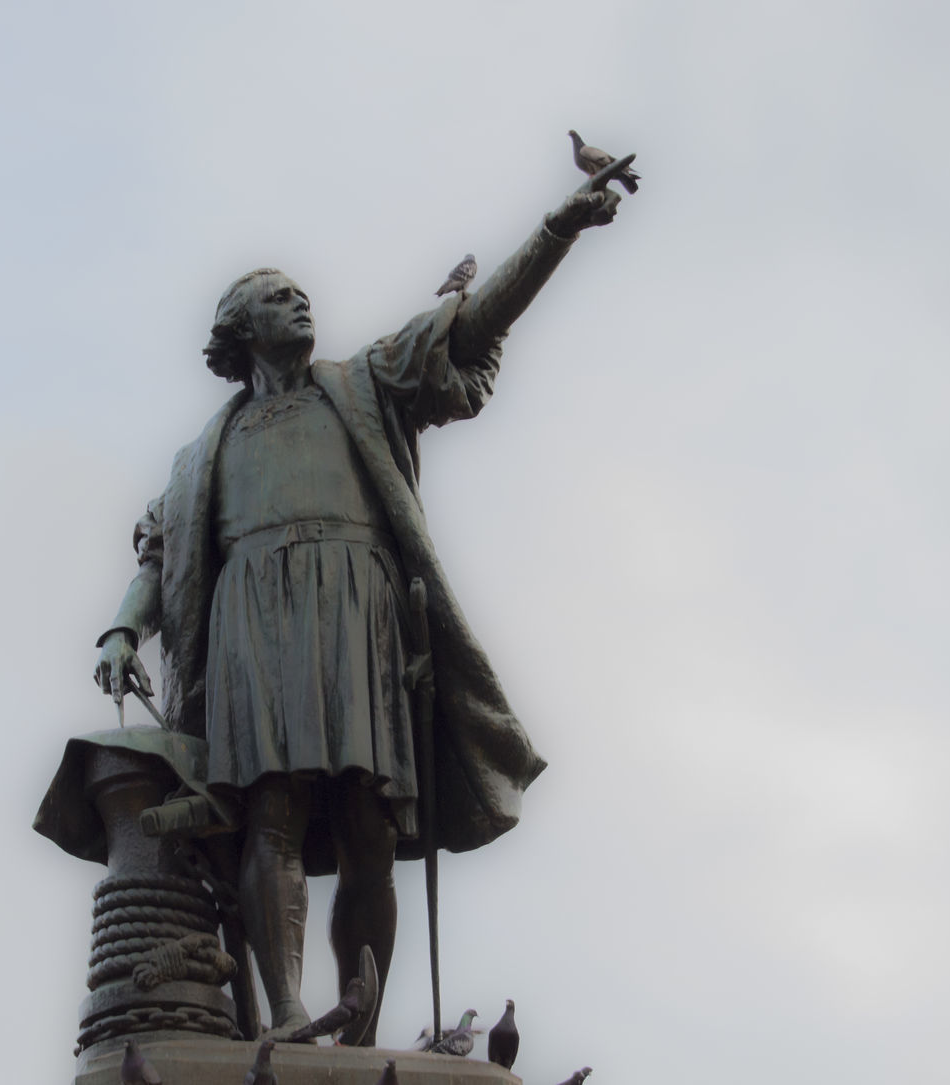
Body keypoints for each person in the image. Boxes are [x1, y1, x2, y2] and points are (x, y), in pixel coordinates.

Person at [91, 170, 628, 1043]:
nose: (299, 303)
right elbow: (163, 559)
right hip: (250, 625)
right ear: (239, 331)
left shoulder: (364, 383)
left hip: (358, 613)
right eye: (276, 297)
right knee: (271, 814)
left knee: (372, 825)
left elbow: (471, 323)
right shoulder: (202, 455)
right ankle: (288, 1010)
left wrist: (558, 228)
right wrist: (123, 625)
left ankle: (361, 1023)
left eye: (301, 294)